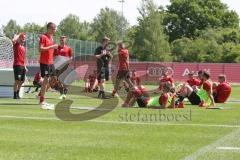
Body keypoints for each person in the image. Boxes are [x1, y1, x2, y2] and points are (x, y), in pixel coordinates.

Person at [38, 22, 58, 109]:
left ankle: (40, 94)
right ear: (49, 28)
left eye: (55, 29)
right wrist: (51, 47)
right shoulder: (43, 37)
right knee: (46, 80)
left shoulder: (51, 38)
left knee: (54, 79)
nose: (55, 31)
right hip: (44, 62)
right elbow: (40, 49)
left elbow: (51, 50)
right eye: (53, 29)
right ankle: (42, 100)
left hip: (50, 62)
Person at [12, 33, 27, 99]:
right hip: (17, 65)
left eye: (24, 38)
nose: (23, 40)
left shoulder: (23, 47)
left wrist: (25, 66)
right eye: (22, 38)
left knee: (22, 81)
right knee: (17, 80)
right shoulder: (16, 45)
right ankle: (15, 94)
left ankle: (18, 93)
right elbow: (13, 40)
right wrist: (18, 35)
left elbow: (24, 58)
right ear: (19, 38)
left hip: (22, 65)